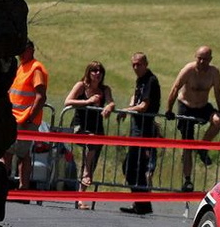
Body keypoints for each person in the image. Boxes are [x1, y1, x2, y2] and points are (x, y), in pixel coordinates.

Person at [165, 46, 220, 192]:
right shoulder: (189, 70)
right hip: (186, 106)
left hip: (203, 106)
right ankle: (187, 180)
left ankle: (203, 147)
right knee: (188, 144)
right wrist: (169, 109)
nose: (202, 61)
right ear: (195, 57)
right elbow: (175, 88)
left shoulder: (214, 73)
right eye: (199, 58)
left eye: (205, 59)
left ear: (210, 59)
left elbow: (218, 92)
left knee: (218, 121)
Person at [64, 61, 115, 210]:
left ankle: (80, 197)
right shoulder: (81, 86)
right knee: (91, 147)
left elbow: (111, 102)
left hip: (97, 130)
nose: (97, 74)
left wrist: (108, 107)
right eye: (94, 71)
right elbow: (67, 101)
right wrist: (87, 101)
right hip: (80, 127)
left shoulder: (104, 89)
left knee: (91, 162)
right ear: (88, 72)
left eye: (100, 71)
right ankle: (85, 173)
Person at [117, 52, 161, 215]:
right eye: (133, 64)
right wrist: (129, 106)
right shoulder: (141, 80)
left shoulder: (150, 80)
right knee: (133, 167)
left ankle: (142, 204)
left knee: (133, 167)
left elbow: (143, 106)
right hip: (137, 129)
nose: (136, 67)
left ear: (146, 64)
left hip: (144, 130)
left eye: (139, 64)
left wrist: (125, 110)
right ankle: (142, 204)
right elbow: (136, 99)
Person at [3, 39, 48, 194]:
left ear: (32, 50)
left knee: (17, 153)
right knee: (11, 151)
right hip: (15, 118)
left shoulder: (36, 68)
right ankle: (10, 185)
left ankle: (19, 189)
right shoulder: (22, 66)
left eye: (25, 49)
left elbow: (41, 96)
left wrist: (29, 118)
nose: (21, 53)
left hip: (25, 120)